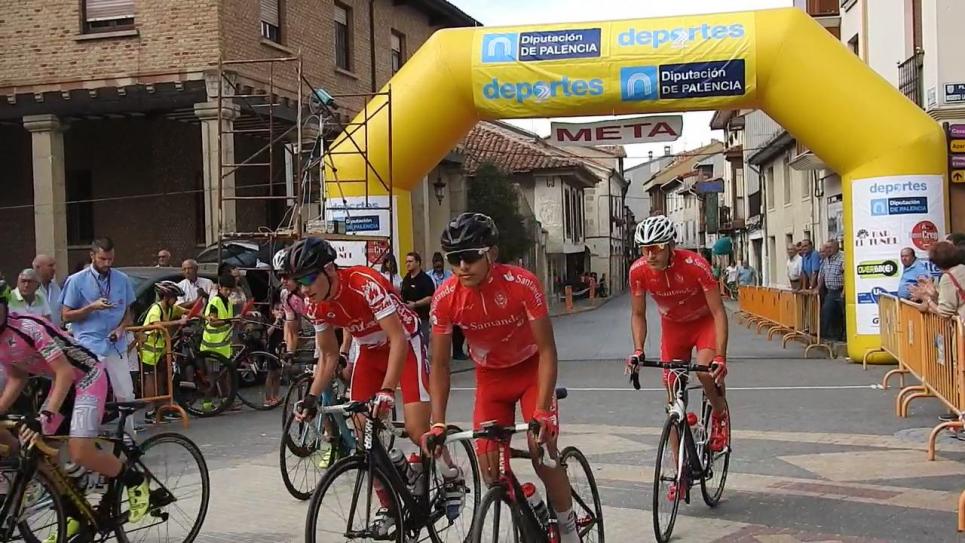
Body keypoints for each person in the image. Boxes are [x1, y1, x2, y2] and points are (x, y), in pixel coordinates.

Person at [424, 213, 580, 543]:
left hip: (531, 371)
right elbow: (439, 365)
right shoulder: (445, 298)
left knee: (540, 451)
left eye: (470, 256)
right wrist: (437, 422)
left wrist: (542, 411)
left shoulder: (522, 284)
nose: (462, 266)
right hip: (491, 380)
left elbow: (548, 351)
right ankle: (533, 506)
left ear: (492, 253)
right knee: (491, 472)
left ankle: (569, 529)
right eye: (454, 258)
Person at [289, 238, 433, 532]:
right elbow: (329, 356)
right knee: (362, 433)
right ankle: (390, 502)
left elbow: (397, 339)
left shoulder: (364, 283)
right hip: (369, 351)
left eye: (308, 279)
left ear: (330, 269)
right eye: (298, 282)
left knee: (417, 430)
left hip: (405, 344)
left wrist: (387, 391)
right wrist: (311, 397)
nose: (303, 289)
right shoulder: (314, 304)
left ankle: (451, 475)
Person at [0, 281, 152, 539]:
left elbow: (65, 372)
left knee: (80, 452)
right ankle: (75, 513)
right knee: (39, 452)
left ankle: (135, 481)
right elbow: (18, 376)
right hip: (63, 384)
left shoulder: (28, 327)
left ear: (4, 306)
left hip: (87, 377)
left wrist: (45, 415)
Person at [626, 215, 729, 500]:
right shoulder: (638, 271)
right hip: (673, 328)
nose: (650, 254)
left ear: (671, 245)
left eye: (656, 247)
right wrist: (638, 350)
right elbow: (638, 314)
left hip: (704, 323)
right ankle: (681, 470)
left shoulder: (695, 265)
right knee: (673, 402)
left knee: (705, 371)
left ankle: (719, 413)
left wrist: (721, 356)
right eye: (644, 248)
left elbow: (719, 312)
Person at [61, 237, 138, 429]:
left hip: (115, 345)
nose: (107, 263)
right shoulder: (76, 281)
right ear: (92, 256)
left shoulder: (122, 279)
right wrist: (91, 307)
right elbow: (66, 315)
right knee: (91, 394)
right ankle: (87, 436)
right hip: (89, 345)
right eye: (103, 259)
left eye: (111, 259)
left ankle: (128, 436)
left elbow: (129, 312)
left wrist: (121, 328)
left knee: (126, 394)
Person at [138, 281, 187, 419]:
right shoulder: (156, 309)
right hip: (148, 352)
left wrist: (200, 314)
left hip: (160, 351)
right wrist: (178, 322)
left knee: (160, 379)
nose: (176, 300)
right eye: (174, 297)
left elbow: (184, 310)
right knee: (150, 381)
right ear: (166, 297)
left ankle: (161, 408)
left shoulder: (170, 308)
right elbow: (157, 324)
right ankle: (150, 411)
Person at [914, 241, 965, 319]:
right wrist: (935, 295)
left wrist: (928, 299)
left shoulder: (948, 278)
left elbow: (944, 313)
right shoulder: (962, 268)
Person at [813, 240, 845, 341]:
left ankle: (842, 336)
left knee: (842, 314)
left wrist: (844, 291)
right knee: (827, 311)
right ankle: (829, 335)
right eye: (826, 248)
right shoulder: (826, 259)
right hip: (830, 291)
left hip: (840, 290)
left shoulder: (843, 258)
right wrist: (818, 288)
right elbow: (822, 275)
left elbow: (846, 275)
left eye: (830, 248)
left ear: (837, 247)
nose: (828, 250)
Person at [401, 252, 436, 343]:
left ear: (418, 263)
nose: (407, 264)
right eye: (406, 262)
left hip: (422, 319)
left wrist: (415, 304)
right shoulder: (406, 279)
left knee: (422, 343)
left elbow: (430, 298)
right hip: (407, 319)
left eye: (410, 261)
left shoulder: (426, 279)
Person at [32, 254, 62, 327]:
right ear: (38, 267)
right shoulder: (29, 289)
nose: (54, 269)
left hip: (56, 331)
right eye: (50, 266)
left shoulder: (56, 288)